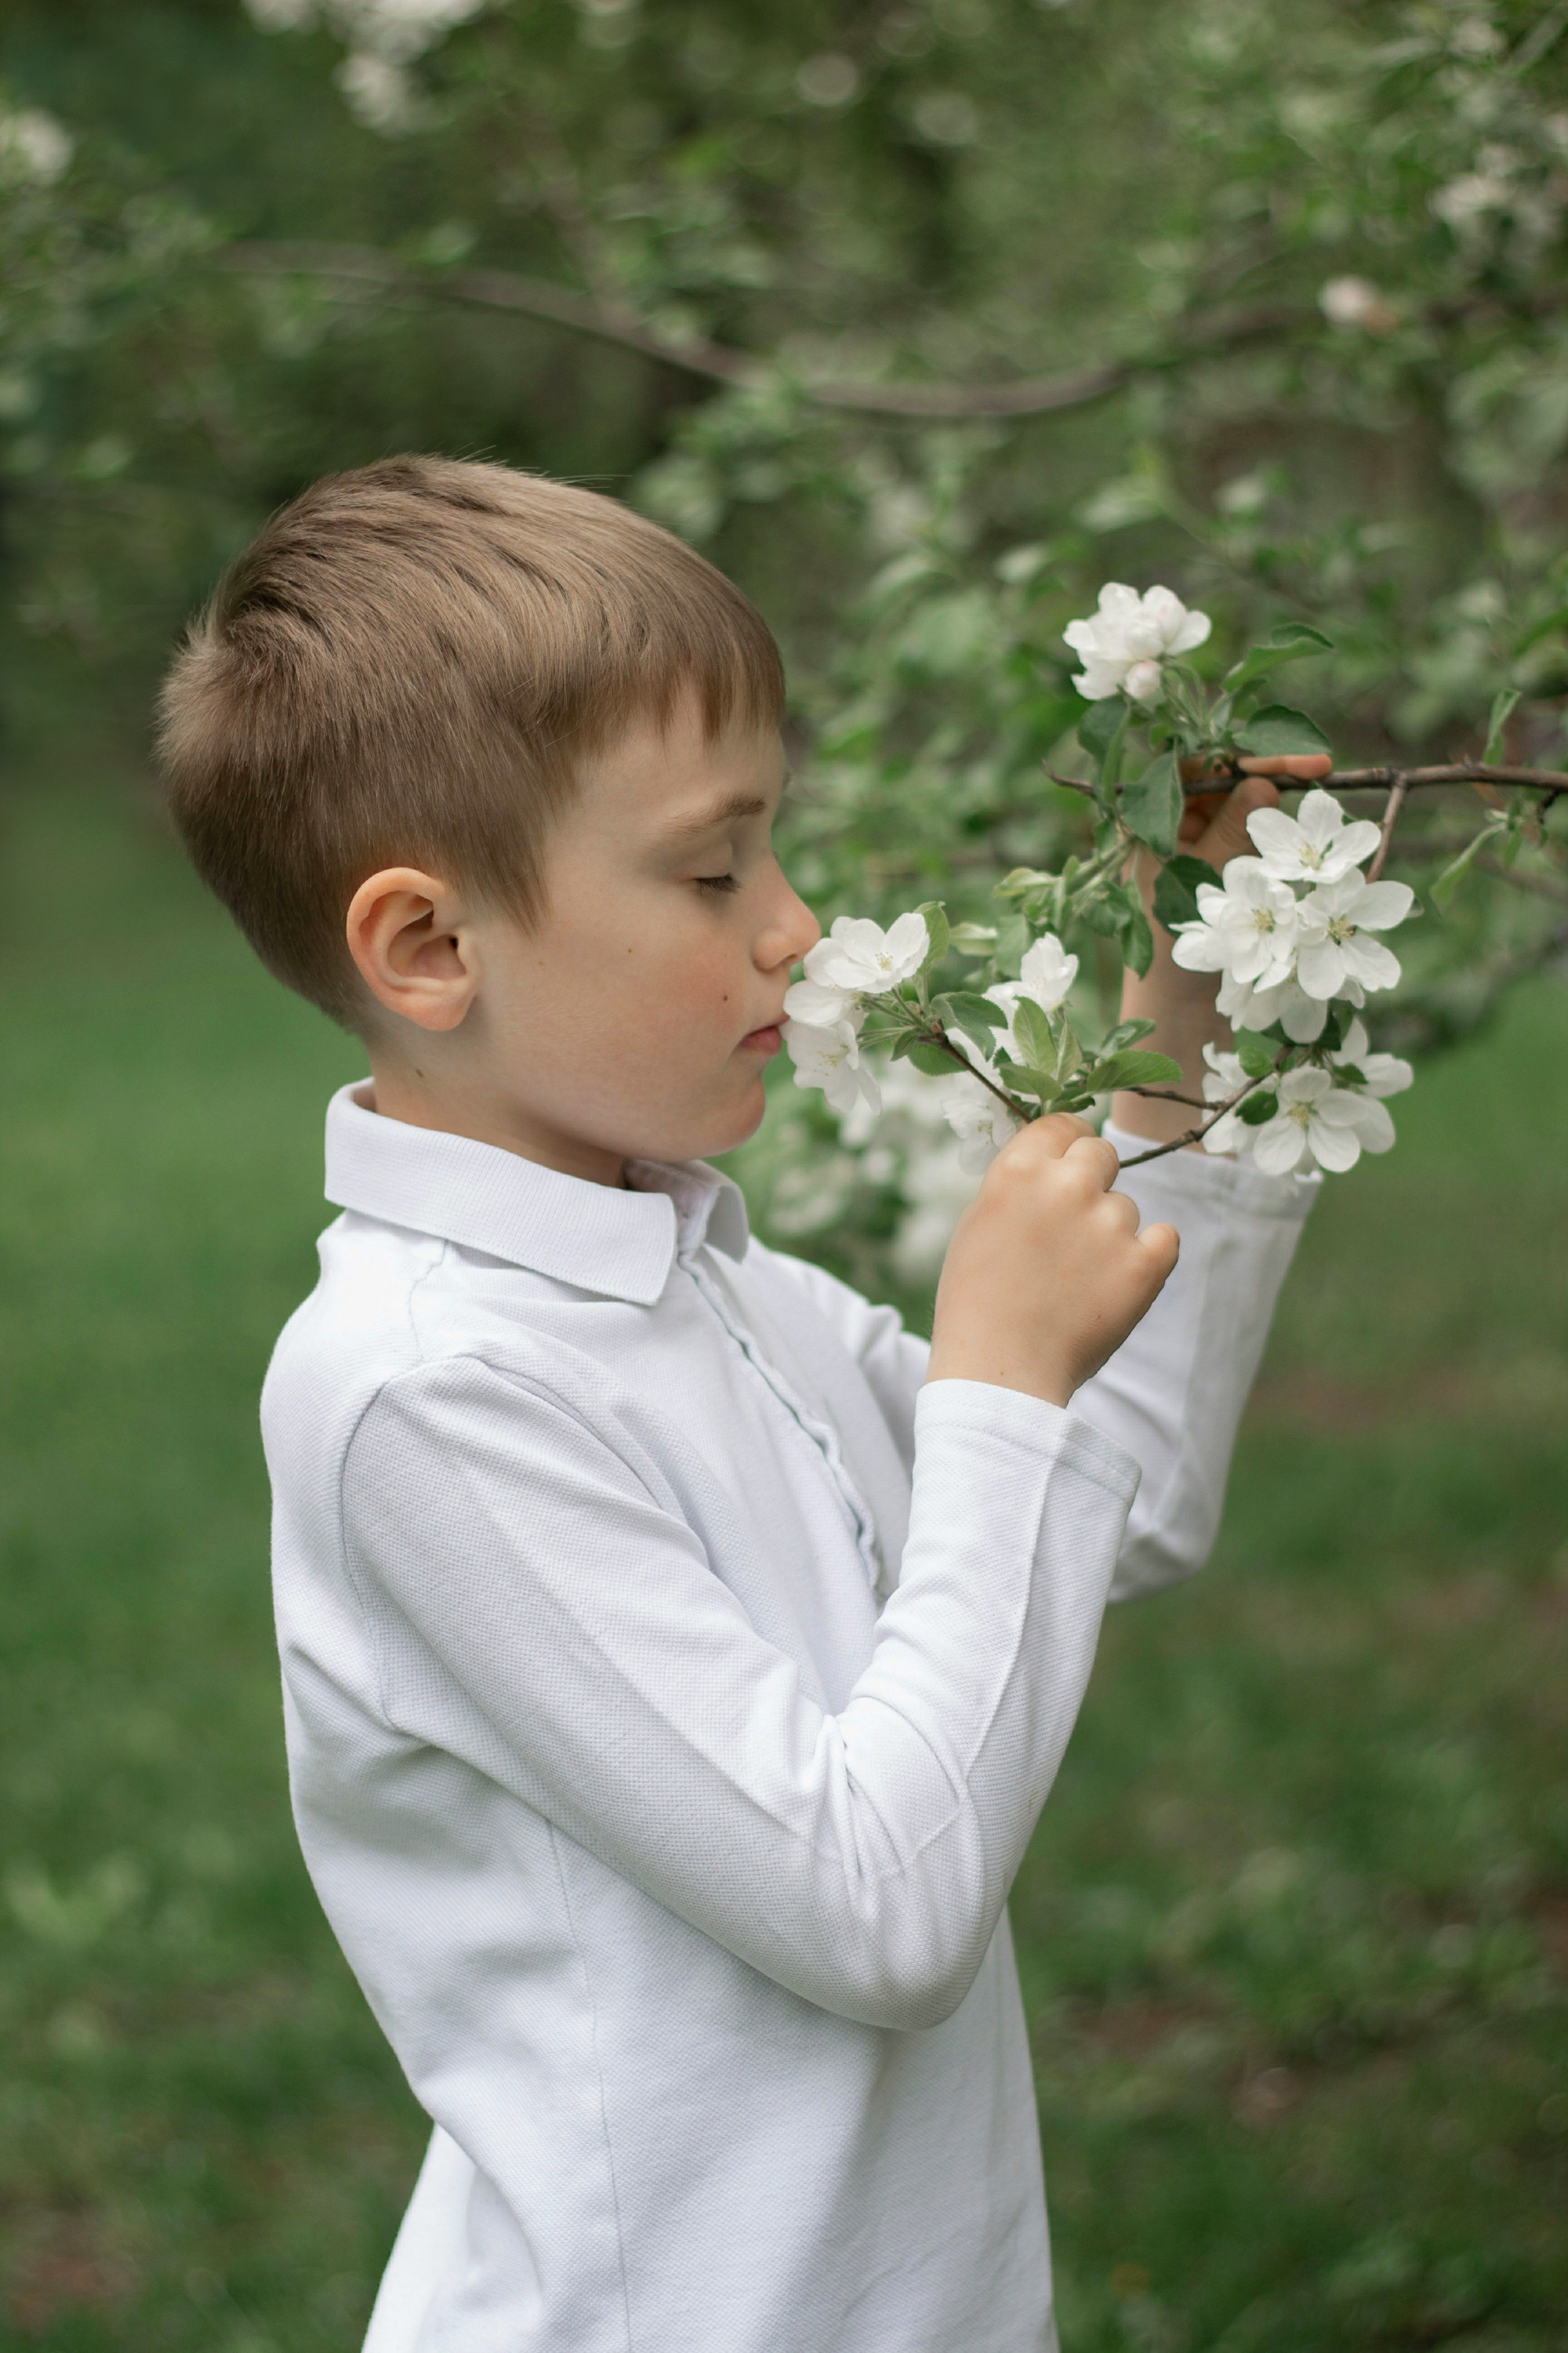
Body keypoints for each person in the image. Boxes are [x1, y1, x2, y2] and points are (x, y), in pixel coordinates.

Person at [157, 456, 1321, 2353]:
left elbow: (1115, 1496)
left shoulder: (703, 1278)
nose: (791, 924)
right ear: (430, 947)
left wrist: (1179, 1045)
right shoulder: (426, 1393)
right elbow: (877, 1905)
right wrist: (1001, 1374)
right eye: (713, 870)